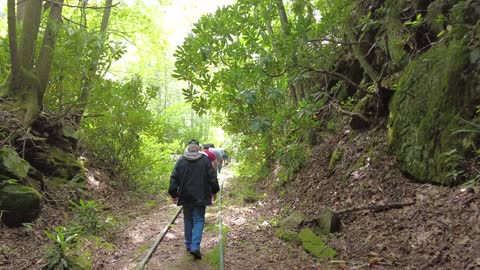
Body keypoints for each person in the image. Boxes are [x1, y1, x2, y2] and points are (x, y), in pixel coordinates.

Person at [168, 140, 219, 260]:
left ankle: (188, 244)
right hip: (201, 195)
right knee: (198, 220)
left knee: (188, 219)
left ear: (188, 149)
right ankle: (195, 246)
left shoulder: (181, 161)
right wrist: (214, 191)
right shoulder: (205, 160)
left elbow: (174, 177)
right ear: (198, 149)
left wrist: (174, 193)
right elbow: (212, 177)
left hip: (185, 196)